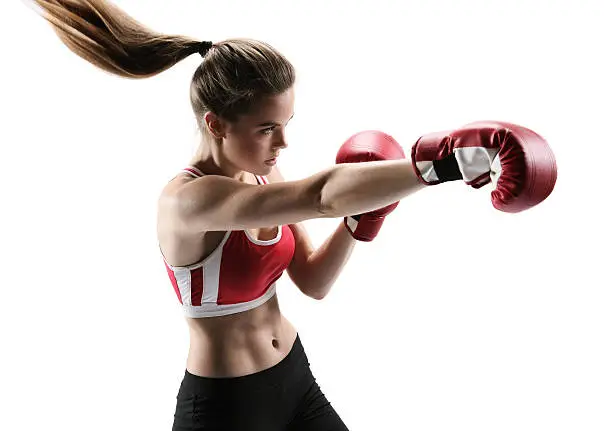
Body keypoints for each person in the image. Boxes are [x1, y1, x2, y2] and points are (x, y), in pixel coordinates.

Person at [28, 1, 556, 430]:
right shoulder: (189, 201)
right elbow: (325, 194)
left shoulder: (262, 177)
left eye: (286, 123)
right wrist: (444, 165)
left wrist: (363, 220)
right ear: (215, 124)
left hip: (295, 380)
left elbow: (313, 281)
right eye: (266, 129)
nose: (283, 143)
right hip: (227, 409)